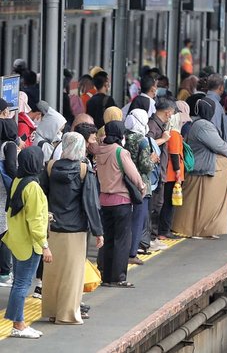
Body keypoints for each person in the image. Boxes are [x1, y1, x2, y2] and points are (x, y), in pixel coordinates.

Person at [42, 132, 104, 324]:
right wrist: (98, 231)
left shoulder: (50, 167)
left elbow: (43, 196)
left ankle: (52, 311)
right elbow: (91, 203)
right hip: (75, 229)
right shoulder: (84, 170)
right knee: (72, 273)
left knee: (53, 273)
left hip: (52, 227)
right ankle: (67, 314)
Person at [2, 146, 51, 339]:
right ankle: (19, 325)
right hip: (30, 244)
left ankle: (17, 321)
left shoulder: (18, 181)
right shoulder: (34, 187)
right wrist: (45, 245)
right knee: (23, 284)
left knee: (18, 284)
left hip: (16, 239)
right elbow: (36, 221)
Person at [90, 121, 145, 288]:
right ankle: (119, 277)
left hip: (104, 201)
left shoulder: (98, 150)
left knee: (108, 238)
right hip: (121, 201)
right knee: (122, 240)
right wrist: (141, 188)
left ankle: (106, 277)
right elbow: (134, 175)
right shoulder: (120, 152)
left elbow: (93, 143)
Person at [172, 98, 227, 239]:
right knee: (196, 203)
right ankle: (192, 230)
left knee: (197, 203)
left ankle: (197, 230)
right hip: (200, 168)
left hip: (199, 167)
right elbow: (217, 144)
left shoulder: (198, 124)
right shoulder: (203, 125)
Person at [124, 109, 160, 264]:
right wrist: (153, 159)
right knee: (138, 219)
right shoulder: (142, 141)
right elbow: (145, 166)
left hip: (125, 182)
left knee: (126, 219)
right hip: (141, 185)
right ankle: (132, 253)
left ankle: (123, 250)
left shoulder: (125, 137)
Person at [147, 98, 175, 246]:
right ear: (168, 112)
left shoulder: (159, 124)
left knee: (158, 204)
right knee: (154, 206)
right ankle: (149, 238)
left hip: (159, 172)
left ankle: (152, 236)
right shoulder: (153, 125)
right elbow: (147, 144)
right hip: (154, 173)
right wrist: (163, 139)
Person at [0, 99, 20, 288]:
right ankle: (5, 273)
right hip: (4, 193)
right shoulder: (9, 146)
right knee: (5, 230)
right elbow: (12, 168)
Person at [158, 113, 184, 240]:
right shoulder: (174, 133)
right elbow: (174, 153)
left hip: (170, 174)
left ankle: (163, 230)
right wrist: (178, 171)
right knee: (169, 203)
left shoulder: (170, 133)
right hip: (172, 174)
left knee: (168, 202)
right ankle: (164, 230)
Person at [206, 74, 227, 141]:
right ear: (221, 87)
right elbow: (217, 130)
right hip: (216, 148)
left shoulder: (204, 101)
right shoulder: (216, 105)